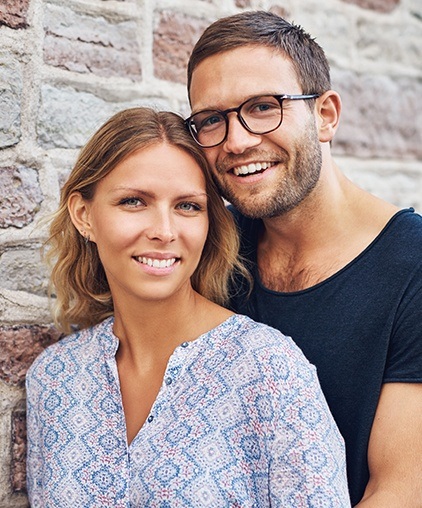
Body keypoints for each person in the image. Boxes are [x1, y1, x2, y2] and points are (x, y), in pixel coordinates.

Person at [25, 107, 350, 507]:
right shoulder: (54, 377)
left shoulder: (269, 369)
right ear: (83, 214)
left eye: (188, 206)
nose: (163, 231)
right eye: (133, 201)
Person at [185, 10, 422, 507]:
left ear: (326, 115)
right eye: (211, 119)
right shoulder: (209, 249)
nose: (237, 140)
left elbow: (399, 491)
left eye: (264, 106)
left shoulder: (412, 266)